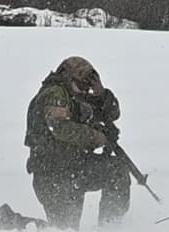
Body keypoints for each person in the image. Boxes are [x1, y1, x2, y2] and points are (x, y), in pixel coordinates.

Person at [25, 56, 128, 228]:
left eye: (87, 87)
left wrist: (101, 94)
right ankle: (11, 222)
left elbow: (112, 114)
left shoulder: (74, 96)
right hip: (52, 175)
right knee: (63, 229)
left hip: (73, 168)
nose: (84, 91)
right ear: (68, 78)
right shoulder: (55, 94)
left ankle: (112, 226)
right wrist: (96, 137)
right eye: (82, 85)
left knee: (116, 170)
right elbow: (59, 128)